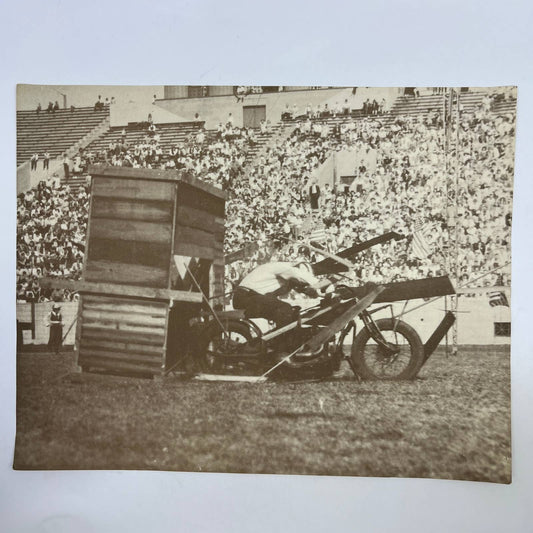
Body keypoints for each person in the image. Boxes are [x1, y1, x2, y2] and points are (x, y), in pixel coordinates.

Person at [233, 261, 329, 326]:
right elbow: (301, 276)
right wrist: (328, 286)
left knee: (292, 313)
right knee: (285, 309)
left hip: (250, 297)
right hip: (246, 296)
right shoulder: (285, 268)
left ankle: (281, 343)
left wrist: (325, 295)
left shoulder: (287, 278)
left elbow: (306, 290)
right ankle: (281, 348)